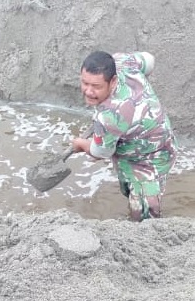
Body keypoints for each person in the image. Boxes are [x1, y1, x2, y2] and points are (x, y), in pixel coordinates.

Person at [71, 51, 176, 221]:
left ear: (113, 81)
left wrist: (81, 144)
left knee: (144, 215)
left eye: (96, 86)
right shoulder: (123, 62)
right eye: (85, 83)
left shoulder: (109, 117)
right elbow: (149, 60)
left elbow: (100, 152)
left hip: (151, 158)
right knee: (129, 188)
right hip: (152, 131)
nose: (88, 91)